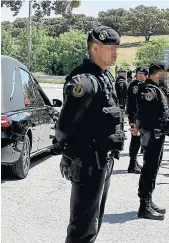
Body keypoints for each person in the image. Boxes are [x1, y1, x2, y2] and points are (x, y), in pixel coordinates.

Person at [54, 25, 125, 243]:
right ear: (95, 48)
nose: (115, 52)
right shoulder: (85, 81)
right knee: (82, 227)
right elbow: (64, 126)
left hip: (104, 158)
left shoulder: (104, 77)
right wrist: (68, 154)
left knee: (94, 222)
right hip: (88, 160)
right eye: (111, 47)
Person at [135, 61, 169, 220]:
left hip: (157, 134)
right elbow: (145, 113)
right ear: (158, 73)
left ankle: (148, 200)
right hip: (152, 134)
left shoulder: (156, 88)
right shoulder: (149, 90)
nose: (166, 77)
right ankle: (144, 205)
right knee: (149, 168)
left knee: (153, 167)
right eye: (165, 74)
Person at [126, 67, 148, 173]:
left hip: (139, 116)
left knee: (138, 140)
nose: (140, 75)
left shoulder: (141, 84)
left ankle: (133, 162)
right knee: (135, 140)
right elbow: (132, 102)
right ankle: (131, 164)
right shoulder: (135, 85)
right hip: (135, 116)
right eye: (138, 73)